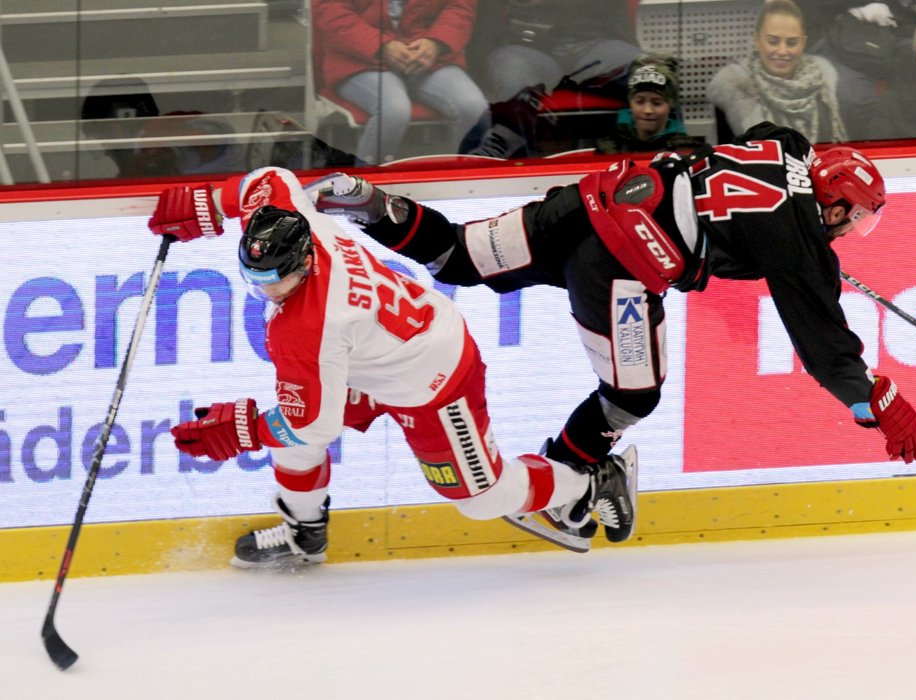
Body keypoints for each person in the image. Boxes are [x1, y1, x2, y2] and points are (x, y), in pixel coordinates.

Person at [327, 120, 916, 538]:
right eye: (858, 222)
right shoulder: (800, 247)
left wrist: (803, 251)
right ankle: (567, 484)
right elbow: (823, 349)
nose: (851, 234)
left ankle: (368, 204)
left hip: (595, 201)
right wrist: (871, 399)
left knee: (459, 255)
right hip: (620, 267)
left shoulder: (789, 146)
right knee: (633, 394)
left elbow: (755, 162)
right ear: (839, 206)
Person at [144, 166, 637, 567]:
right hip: (373, 352)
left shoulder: (307, 326)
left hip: (434, 379)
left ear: (303, 262)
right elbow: (267, 179)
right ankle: (305, 530)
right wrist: (209, 204)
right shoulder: (297, 221)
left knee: (480, 498)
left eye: (276, 280)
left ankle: (591, 481)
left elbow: (313, 420)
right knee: (297, 433)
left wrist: (244, 430)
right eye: (254, 279)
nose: (265, 292)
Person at [312, 0, 490, 164]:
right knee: (393, 109)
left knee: (474, 108)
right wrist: (380, 45)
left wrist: (436, 42)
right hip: (358, 58)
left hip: (430, 55)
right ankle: (364, 189)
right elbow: (332, 13)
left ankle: (465, 186)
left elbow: (459, 8)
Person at [708, 0, 849, 143]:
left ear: (803, 43)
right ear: (757, 40)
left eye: (792, 43)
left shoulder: (824, 81)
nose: (782, 51)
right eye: (773, 41)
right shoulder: (734, 87)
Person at [475, 0, 643, 103]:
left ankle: (643, 155)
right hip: (525, 47)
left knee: (651, 76)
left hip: (594, 45)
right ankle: (523, 158)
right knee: (514, 79)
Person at [594, 55, 708, 155]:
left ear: (670, 105)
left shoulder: (687, 151)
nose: (647, 110)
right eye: (639, 101)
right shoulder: (609, 149)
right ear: (630, 102)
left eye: (657, 103)